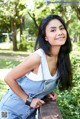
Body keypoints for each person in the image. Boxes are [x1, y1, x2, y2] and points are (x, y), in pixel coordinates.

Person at [0, 14, 73, 119]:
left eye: (62, 28)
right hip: (7, 112)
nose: (59, 32)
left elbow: (42, 83)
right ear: (45, 37)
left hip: (29, 114)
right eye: (53, 30)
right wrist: (28, 100)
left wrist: (46, 92)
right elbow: (9, 78)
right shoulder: (37, 58)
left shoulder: (61, 59)